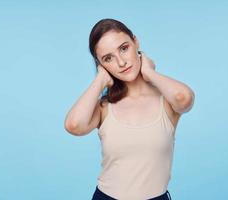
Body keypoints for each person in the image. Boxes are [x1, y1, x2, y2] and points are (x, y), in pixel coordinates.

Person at [64, 18, 195, 200]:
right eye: (108, 58)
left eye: (124, 48)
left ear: (136, 42)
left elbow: (185, 98)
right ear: (101, 64)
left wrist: (149, 73)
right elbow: (73, 125)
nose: (121, 62)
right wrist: (100, 80)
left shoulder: (166, 100)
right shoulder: (104, 107)